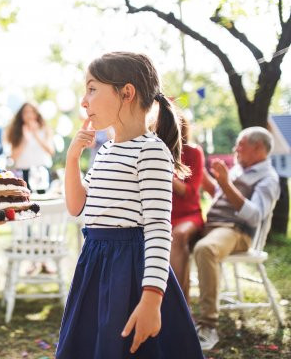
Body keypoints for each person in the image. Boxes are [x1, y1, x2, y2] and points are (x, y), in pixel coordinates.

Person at [56, 52, 203, 358]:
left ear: (126, 92)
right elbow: (76, 205)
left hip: (130, 270)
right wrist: (73, 159)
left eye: (92, 89)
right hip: (96, 264)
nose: (84, 100)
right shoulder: (107, 150)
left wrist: (151, 299)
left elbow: (159, 228)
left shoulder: (151, 151)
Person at [193, 126, 280, 350]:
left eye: (240, 144)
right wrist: (203, 176)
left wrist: (225, 184)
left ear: (258, 148)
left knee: (205, 249)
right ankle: (173, 312)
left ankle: (208, 325)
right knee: (170, 237)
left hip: (237, 231)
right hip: (212, 226)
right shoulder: (238, 170)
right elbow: (220, 196)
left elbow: (255, 216)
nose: (235, 149)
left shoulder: (268, 178)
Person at [170, 113, 205, 303]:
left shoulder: (193, 152)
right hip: (163, 216)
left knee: (178, 235)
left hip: (189, 216)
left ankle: (178, 304)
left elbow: (191, 193)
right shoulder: (154, 150)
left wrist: (169, 176)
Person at [6, 102, 54, 192]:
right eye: (26, 112)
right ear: (21, 115)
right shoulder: (16, 132)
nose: (29, 115)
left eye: (31, 112)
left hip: (42, 172)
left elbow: (51, 151)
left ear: (36, 114)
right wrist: (25, 139)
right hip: (24, 173)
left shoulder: (44, 129)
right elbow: (13, 157)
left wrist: (36, 134)